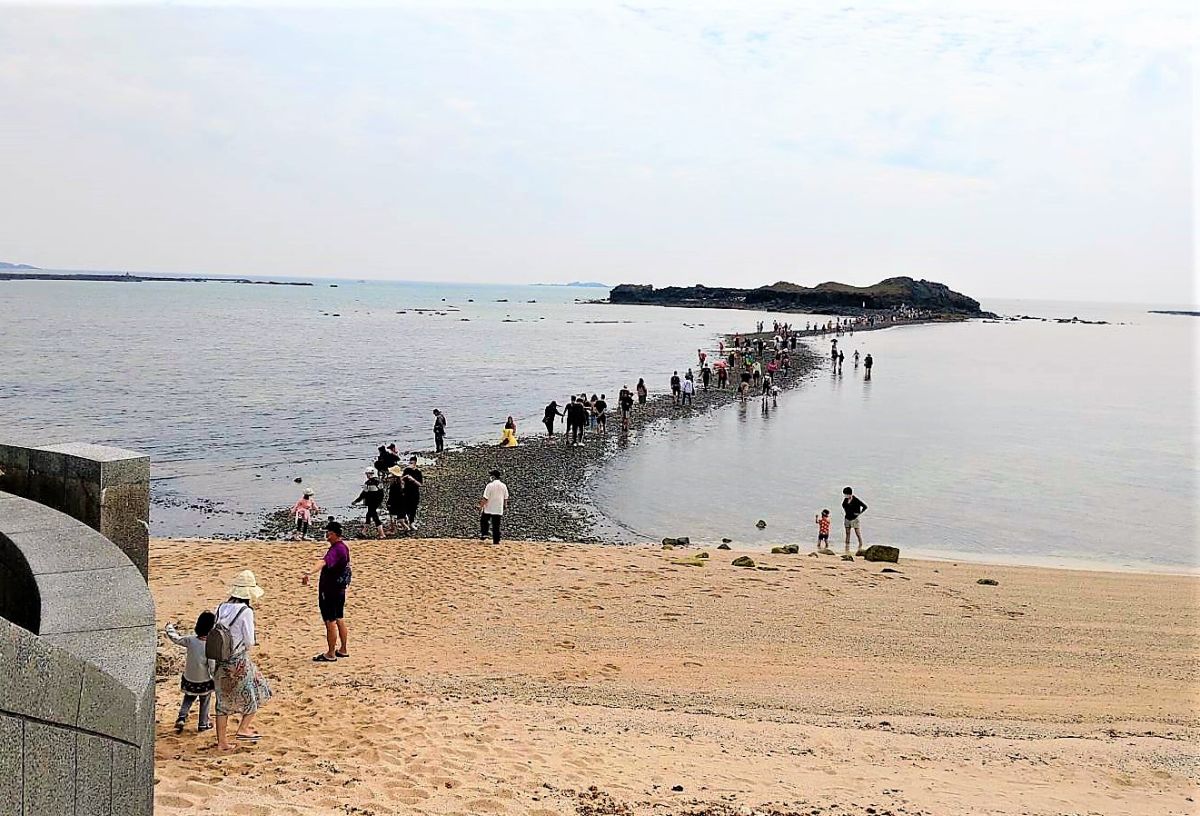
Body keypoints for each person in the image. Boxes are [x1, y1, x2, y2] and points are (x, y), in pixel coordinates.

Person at [213, 571, 271, 750]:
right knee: (257, 689)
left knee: (222, 702)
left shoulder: (221, 607)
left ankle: (222, 742)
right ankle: (243, 728)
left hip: (220, 660)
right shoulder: (246, 612)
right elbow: (249, 641)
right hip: (237, 660)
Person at [302, 520, 351, 663]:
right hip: (339, 590)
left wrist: (309, 572)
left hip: (330, 591)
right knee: (339, 618)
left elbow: (323, 562)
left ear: (335, 534)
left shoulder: (336, 550)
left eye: (328, 534)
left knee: (330, 621)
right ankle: (343, 649)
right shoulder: (343, 547)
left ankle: (330, 653)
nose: (326, 536)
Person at [165, 612, 216, 733]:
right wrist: (215, 678)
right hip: (204, 680)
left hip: (189, 678)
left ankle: (182, 717)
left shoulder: (190, 640)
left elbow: (176, 639)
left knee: (188, 697)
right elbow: (212, 665)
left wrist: (169, 628)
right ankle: (203, 724)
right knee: (205, 700)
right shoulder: (210, 646)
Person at [351, 470, 385, 538]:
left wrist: (356, 501)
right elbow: (381, 493)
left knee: (374, 516)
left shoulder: (370, 482)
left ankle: (382, 534)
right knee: (368, 515)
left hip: (373, 502)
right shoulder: (376, 482)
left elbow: (364, 494)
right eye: (367, 474)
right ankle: (364, 532)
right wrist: (357, 501)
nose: (368, 475)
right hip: (373, 502)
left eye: (369, 474)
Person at [479, 469, 509, 545]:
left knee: (484, 520)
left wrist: (481, 506)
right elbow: (506, 498)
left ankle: (484, 533)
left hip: (489, 508)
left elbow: (485, 498)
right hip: (498, 508)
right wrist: (505, 506)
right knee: (496, 525)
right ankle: (496, 540)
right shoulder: (503, 486)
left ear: (493, 477)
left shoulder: (489, 485)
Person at [841, 487, 868, 554]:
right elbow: (843, 505)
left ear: (850, 494)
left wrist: (859, 513)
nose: (845, 495)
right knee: (847, 533)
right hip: (847, 518)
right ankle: (847, 546)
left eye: (846, 494)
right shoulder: (845, 500)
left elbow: (865, 506)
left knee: (857, 533)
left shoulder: (856, 500)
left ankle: (860, 544)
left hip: (854, 518)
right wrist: (847, 510)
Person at [399, 455, 423, 529]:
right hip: (406, 491)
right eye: (410, 463)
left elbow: (420, 484)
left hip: (414, 492)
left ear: (415, 463)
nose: (410, 464)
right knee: (405, 507)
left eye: (412, 463)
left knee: (413, 508)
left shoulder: (418, 472)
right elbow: (401, 479)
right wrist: (404, 478)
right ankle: (405, 521)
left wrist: (413, 480)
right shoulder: (407, 470)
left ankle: (412, 522)